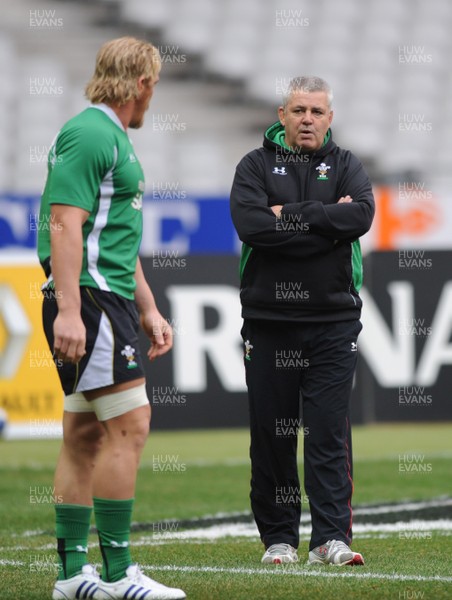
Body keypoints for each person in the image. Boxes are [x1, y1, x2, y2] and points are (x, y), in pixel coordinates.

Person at [38, 37, 186, 600]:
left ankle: (74, 576)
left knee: (82, 435)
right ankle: (120, 574)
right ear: (143, 83)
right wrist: (72, 310)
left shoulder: (109, 136)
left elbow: (112, 238)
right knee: (129, 426)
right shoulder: (93, 133)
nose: (153, 95)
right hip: (93, 301)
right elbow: (63, 224)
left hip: (108, 297)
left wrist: (147, 307)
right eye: (155, 85)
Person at [230, 76, 374, 566]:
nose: (308, 119)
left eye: (317, 111)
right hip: (269, 322)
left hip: (334, 321)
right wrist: (324, 220)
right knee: (272, 433)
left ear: (330, 117)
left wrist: (287, 216)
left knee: (327, 431)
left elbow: (359, 219)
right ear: (282, 114)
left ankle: (331, 540)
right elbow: (252, 226)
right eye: (298, 110)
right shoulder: (254, 165)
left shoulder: (348, 165)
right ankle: (279, 540)